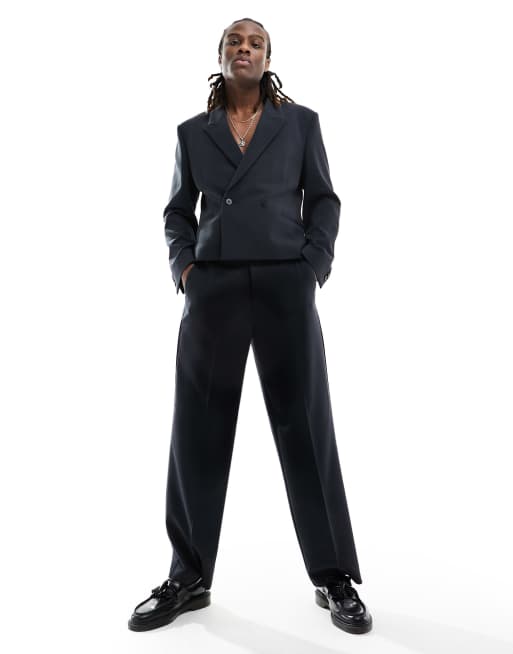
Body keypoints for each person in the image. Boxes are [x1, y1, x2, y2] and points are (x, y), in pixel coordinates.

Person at [128, 17, 372, 635]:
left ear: (268, 58)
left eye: (255, 42)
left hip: (286, 281)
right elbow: (177, 211)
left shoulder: (301, 123)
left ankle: (334, 577)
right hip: (214, 287)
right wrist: (186, 269)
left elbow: (324, 200)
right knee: (197, 430)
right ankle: (188, 576)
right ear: (220, 56)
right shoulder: (193, 132)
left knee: (306, 425)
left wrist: (312, 265)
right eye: (234, 41)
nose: (245, 48)